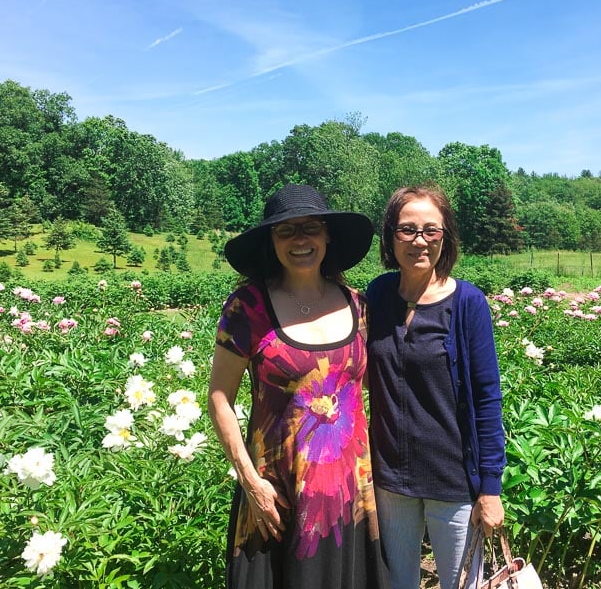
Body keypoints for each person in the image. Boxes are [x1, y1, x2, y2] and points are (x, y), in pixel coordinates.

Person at [208, 183, 390, 589]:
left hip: (350, 497)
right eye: (285, 231)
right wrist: (249, 482)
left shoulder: (358, 306)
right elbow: (219, 398)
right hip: (276, 496)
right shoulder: (248, 308)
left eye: (309, 227)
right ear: (271, 242)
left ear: (327, 236)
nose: (299, 240)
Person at [365, 185, 506, 589]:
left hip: (454, 481)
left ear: (446, 237)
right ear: (391, 237)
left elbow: (486, 398)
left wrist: (490, 488)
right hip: (391, 479)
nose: (419, 240)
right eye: (407, 230)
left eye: (431, 230)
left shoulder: (467, 303)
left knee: (464, 584)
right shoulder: (378, 294)